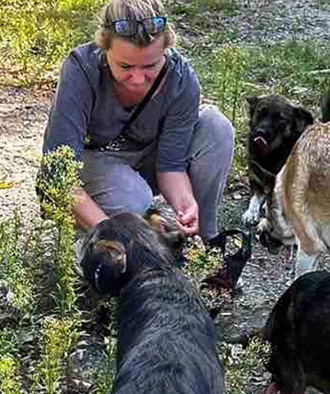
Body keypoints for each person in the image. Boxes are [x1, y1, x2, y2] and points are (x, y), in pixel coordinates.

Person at [41, 0, 234, 240]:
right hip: (93, 162)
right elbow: (59, 172)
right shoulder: (81, 68)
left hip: (145, 160)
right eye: (125, 66)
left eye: (150, 65)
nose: (137, 78)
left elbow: (171, 165)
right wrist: (110, 234)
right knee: (133, 197)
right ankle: (114, 237)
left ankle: (202, 240)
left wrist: (185, 203)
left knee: (216, 127)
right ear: (104, 49)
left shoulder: (181, 78)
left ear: (166, 49)